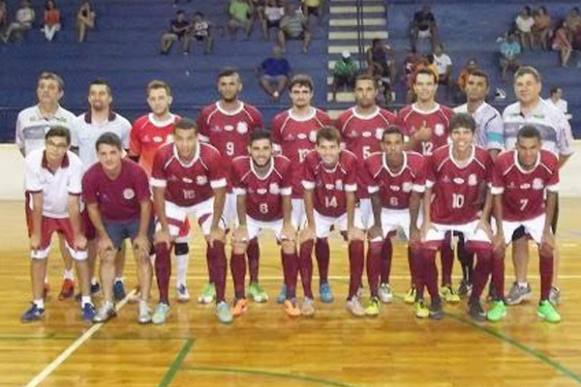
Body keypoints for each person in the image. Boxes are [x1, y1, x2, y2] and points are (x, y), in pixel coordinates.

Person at [502, 66, 575, 307]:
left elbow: (566, 150)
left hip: (543, 192)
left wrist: (546, 175)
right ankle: (521, 285)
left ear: (539, 86)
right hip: (514, 191)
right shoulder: (508, 114)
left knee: (547, 239)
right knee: (519, 238)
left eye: (528, 83)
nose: (524, 88)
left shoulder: (554, 115)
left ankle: (552, 288)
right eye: (519, 84)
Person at [151, 118, 231, 324]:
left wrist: (214, 227)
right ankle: (163, 302)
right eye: (180, 139)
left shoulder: (211, 155)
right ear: (173, 139)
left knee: (217, 243)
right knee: (162, 245)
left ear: (197, 138)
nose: (184, 144)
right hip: (173, 201)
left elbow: (220, 192)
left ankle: (221, 302)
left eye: (189, 139)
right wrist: (164, 228)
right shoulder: (163, 155)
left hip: (205, 201)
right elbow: (158, 193)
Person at [197, 68, 264, 304]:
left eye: (232, 83)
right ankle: (212, 283)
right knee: (215, 238)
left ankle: (254, 283)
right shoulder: (207, 114)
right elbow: (202, 152)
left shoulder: (252, 114)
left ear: (240, 86)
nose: (228, 87)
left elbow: (261, 150)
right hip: (218, 190)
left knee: (250, 237)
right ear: (218, 86)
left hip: (245, 189)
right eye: (223, 84)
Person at [420, 113, 494, 321]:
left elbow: (491, 189)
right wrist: (426, 221)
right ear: (450, 135)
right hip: (439, 217)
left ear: (473, 134)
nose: (461, 137)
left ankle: (475, 300)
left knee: (487, 254)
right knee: (426, 253)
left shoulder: (483, 157)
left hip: (470, 218)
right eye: (457, 132)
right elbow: (427, 190)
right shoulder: (437, 156)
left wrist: (484, 218)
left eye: (466, 132)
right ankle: (434, 298)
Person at [488, 126, 561, 323]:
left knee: (547, 248)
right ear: (516, 146)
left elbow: (552, 195)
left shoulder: (549, 161)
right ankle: (499, 302)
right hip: (508, 214)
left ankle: (544, 302)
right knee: (497, 249)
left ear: (540, 146)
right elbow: (496, 196)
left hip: (535, 213)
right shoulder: (503, 162)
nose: (528, 152)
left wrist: (547, 230)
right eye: (523, 147)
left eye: (532, 147)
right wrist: (500, 231)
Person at [16, 72, 78, 301]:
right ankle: (41, 282)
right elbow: (23, 148)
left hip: (63, 190)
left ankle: (69, 276)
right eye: (42, 86)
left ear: (60, 93)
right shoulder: (24, 117)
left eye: (51, 87)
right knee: (38, 236)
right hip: (35, 190)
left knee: (65, 237)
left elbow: (74, 152)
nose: (45, 91)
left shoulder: (70, 119)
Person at [335, 74, 398, 300]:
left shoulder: (389, 118)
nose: (364, 93)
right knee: (355, 240)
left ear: (376, 92)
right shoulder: (343, 119)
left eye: (368, 89)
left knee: (383, 238)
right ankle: (359, 283)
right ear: (354, 92)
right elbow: (338, 156)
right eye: (360, 89)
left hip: (381, 191)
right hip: (354, 190)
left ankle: (385, 283)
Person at [22, 127, 94, 322]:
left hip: (69, 212)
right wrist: (36, 234)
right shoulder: (32, 161)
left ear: (68, 147)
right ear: (45, 144)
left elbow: (73, 202)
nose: (56, 149)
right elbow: (36, 200)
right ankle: (37, 304)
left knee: (81, 253)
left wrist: (78, 233)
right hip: (42, 212)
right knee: (38, 254)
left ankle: (87, 301)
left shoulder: (76, 164)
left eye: (61, 145)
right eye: (52, 144)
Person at [270, 74, 332, 304]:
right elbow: (274, 157)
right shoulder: (280, 121)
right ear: (290, 94)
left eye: (305, 91)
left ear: (312, 94)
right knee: (288, 240)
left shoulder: (323, 119)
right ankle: (288, 284)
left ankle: (324, 281)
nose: (300, 95)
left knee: (319, 239)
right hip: (288, 192)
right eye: (296, 91)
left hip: (315, 193)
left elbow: (332, 155)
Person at [129, 81, 190, 303]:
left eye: (161, 97)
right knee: (152, 239)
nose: (157, 102)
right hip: (148, 192)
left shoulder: (180, 125)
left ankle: (181, 284)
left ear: (170, 99)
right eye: (153, 98)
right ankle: (149, 284)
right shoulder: (140, 125)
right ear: (148, 101)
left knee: (181, 237)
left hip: (175, 191)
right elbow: (134, 160)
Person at [398, 68, 455, 304]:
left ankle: (447, 283)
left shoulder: (447, 115)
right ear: (414, 87)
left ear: (435, 86)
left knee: (445, 237)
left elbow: (455, 150)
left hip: (441, 187)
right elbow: (396, 152)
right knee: (416, 238)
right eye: (419, 84)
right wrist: (415, 139)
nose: (424, 88)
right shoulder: (403, 114)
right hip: (412, 187)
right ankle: (415, 284)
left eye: (428, 84)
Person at [72, 79, 132, 302]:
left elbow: (127, 158)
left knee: (119, 238)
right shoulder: (77, 125)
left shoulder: (124, 125)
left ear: (110, 98)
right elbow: (75, 156)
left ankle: (118, 279)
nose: (97, 97)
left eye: (102, 93)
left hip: (115, 192)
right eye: (93, 93)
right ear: (88, 98)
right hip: (87, 192)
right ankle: (89, 283)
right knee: (89, 240)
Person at [83, 133, 153, 324]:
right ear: (97, 155)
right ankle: (107, 304)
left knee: (142, 255)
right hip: (110, 220)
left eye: (113, 152)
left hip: (137, 218)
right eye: (103, 153)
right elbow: (92, 207)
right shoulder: (90, 176)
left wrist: (141, 235)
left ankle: (144, 304)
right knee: (106, 256)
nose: (108, 158)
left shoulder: (136, 172)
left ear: (121, 152)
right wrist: (103, 236)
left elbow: (146, 204)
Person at [231, 131, 299, 316]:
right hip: (251, 216)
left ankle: (291, 297)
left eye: (265, 148)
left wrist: (286, 224)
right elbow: (240, 198)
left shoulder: (283, 165)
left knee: (289, 243)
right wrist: (243, 225)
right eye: (256, 149)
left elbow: (286, 197)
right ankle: (239, 298)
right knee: (238, 244)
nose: (261, 153)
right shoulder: (238, 165)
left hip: (278, 215)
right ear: (249, 150)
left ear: (272, 150)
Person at [300, 127, 365, 316]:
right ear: (316, 148)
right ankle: (308, 298)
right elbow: (307, 192)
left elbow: (351, 195)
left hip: (345, 210)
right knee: (305, 244)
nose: (328, 152)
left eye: (332, 147)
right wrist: (311, 226)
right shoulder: (311, 160)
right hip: (320, 210)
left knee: (358, 243)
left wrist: (351, 226)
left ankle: (353, 297)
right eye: (323, 147)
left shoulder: (350, 160)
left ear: (340, 148)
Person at [364, 126, 425, 314]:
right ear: (382, 146)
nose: (393, 147)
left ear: (403, 144)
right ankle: (374, 295)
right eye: (388, 143)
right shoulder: (372, 162)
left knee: (416, 244)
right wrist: (377, 224)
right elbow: (374, 197)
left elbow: (416, 197)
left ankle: (418, 291)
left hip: (409, 209)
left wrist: (414, 226)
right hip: (384, 209)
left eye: (397, 143)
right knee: (375, 244)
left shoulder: (417, 162)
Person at [453, 69, 504, 297]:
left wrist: (485, 188)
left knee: (487, 236)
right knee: (462, 238)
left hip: (484, 185)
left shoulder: (493, 117)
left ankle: (493, 283)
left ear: (487, 89)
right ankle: (467, 278)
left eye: (479, 84)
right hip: (459, 185)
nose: (474, 87)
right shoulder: (455, 113)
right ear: (465, 86)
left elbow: (493, 156)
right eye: (470, 83)